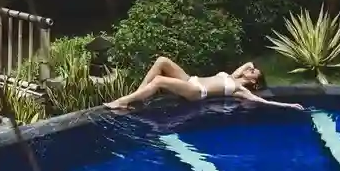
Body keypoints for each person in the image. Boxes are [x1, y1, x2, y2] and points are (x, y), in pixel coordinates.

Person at [105, 56, 304, 111]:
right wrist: (250, 69)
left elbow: (262, 101)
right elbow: (248, 63)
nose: (250, 69)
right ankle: (138, 95)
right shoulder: (233, 77)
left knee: (159, 80)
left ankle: (123, 101)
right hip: (191, 79)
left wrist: (288, 105)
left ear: (253, 81)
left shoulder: (239, 88)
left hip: (196, 90)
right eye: (251, 70)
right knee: (162, 61)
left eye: (253, 73)